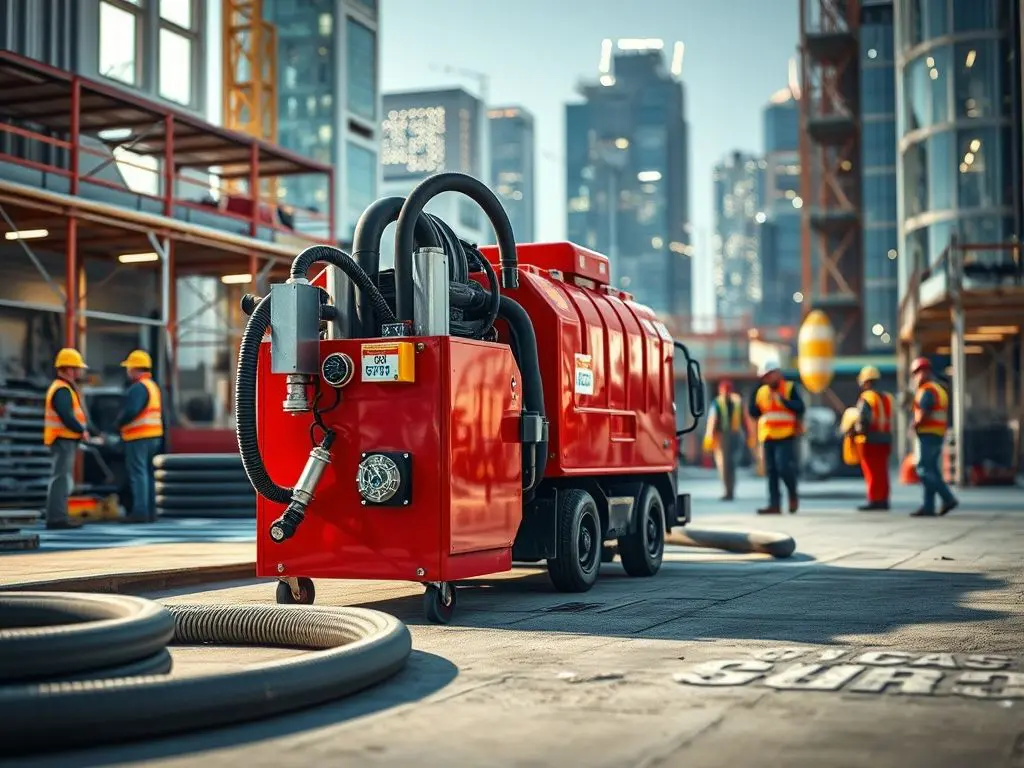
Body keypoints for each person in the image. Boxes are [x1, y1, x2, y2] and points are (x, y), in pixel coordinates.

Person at [42, 348, 94, 530]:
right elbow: (65, 415)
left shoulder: (66, 389)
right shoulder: (61, 390)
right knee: (61, 479)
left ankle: (59, 516)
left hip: (66, 440)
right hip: (62, 439)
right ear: (68, 369)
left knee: (63, 479)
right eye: (77, 368)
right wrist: (81, 431)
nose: (79, 372)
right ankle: (57, 518)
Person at [748, 358, 805, 515]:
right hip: (768, 436)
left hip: (786, 435)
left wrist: (785, 402)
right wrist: (755, 392)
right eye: (764, 376)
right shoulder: (761, 392)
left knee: (784, 467)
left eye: (769, 375)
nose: (766, 379)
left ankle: (792, 495)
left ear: (777, 373)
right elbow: (753, 412)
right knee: (771, 471)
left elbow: (800, 407)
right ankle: (774, 504)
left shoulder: (790, 388)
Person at [116, 350, 165, 523]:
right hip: (153, 436)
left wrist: (118, 423)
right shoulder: (152, 386)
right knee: (147, 474)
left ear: (135, 368)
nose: (127, 371)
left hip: (139, 437)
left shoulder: (138, 388)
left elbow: (131, 411)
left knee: (138, 474)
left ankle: (140, 512)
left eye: (129, 367)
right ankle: (150, 512)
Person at [909, 356, 958, 517]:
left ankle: (948, 497)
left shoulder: (927, 391)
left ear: (925, 371)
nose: (916, 377)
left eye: (917, 373)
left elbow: (923, 413)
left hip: (927, 433)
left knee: (923, 470)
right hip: (937, 433)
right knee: (932, 471)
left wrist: (914, 426)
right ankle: (928, 507)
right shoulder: (939, 389)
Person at [852, 365, 895, 511]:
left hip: (871, 440)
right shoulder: (888, 397)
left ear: (864, 382)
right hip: (886, 439)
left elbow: (863, 419)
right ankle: (883, 499)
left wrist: (856, 431)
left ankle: (874, 500)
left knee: (871, 471)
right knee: (882, 471)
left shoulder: (867, 398)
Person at [702, 379, 744, 500]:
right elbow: (712, 420)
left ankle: (730, 490)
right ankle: (728, 491)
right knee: (725, 465)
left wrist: (750, 436)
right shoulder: (718, 403)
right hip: (721, 436)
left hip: (734, 435)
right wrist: (709, 436)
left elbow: (744, 418)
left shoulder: (736, 402)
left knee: (729, 464)